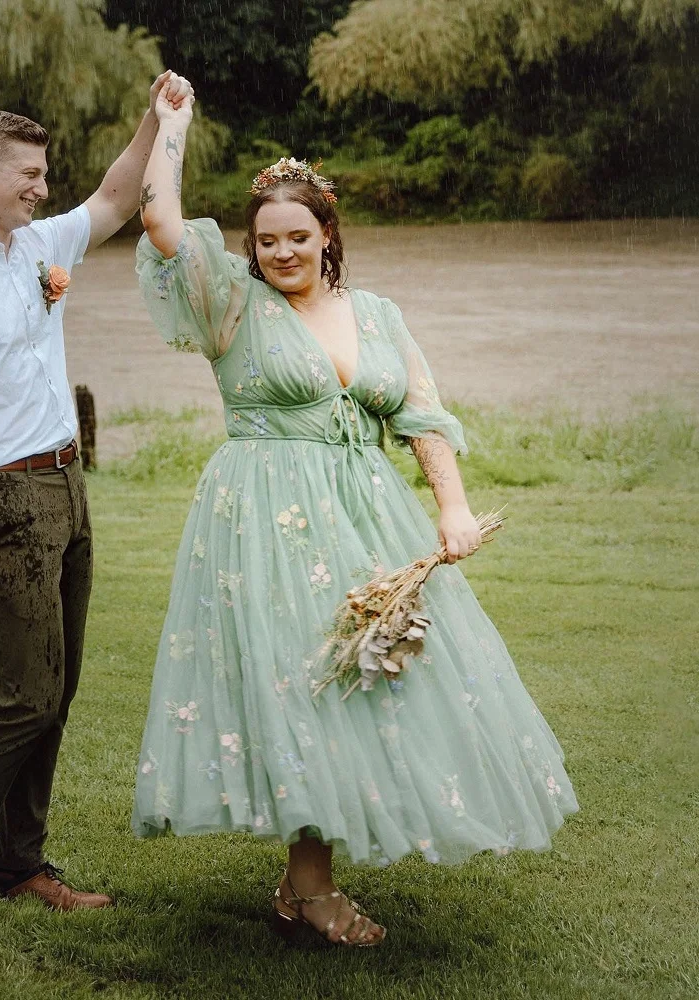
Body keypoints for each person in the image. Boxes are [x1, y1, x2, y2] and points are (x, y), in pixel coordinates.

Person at [132, 83, 578, 947]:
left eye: (298, 236)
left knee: (375, 677)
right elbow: (158, 221)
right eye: (266, 240)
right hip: (261, 516)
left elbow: (420, 414)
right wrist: (172, 127)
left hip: (366, 516)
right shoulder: (229, 302)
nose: (281, 253)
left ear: (327, 235)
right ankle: (314, 889)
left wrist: (451, 508)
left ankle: (304, 884)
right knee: (309, 682)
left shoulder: (376, 315)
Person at [0, 71, 194, 947]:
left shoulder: (37, 246)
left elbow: (120, 192)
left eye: (45, 175)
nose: (43, 188)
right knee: (22, 697)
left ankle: (20, 866)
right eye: (27, 174)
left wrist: (157, 118)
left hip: (66, 486)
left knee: (57, 692)